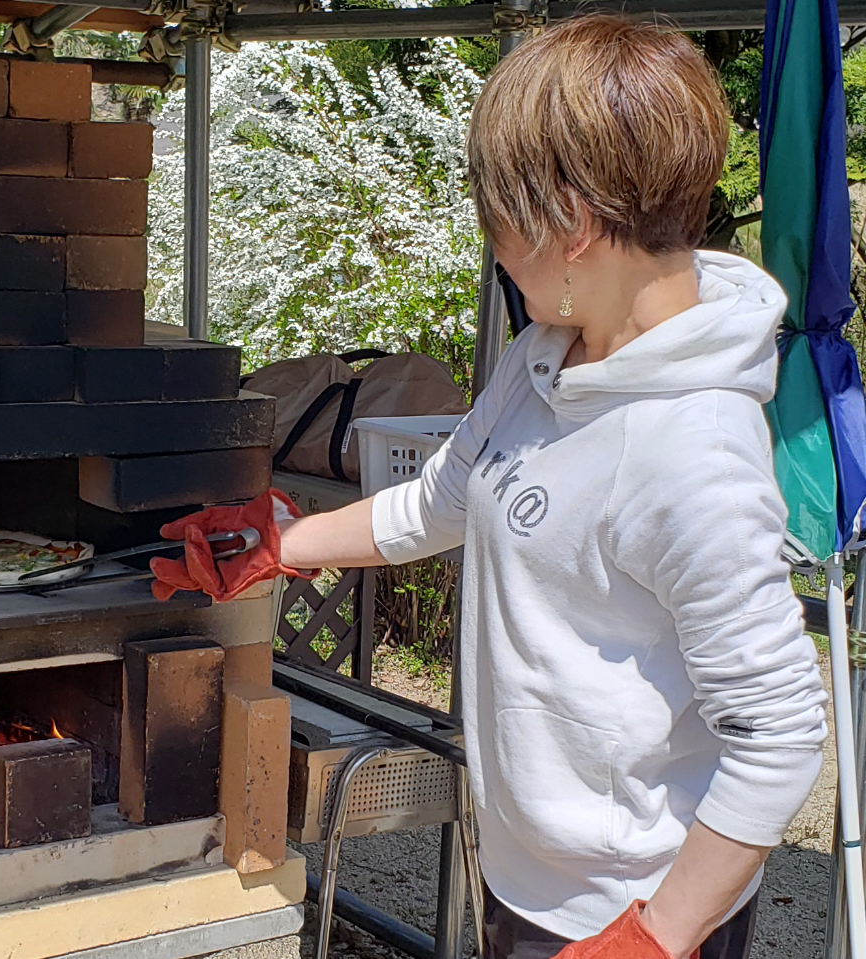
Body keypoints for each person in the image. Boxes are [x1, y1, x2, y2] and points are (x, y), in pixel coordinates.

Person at [150, 15, 829, 959]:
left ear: (572, 219)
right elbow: (442, 501)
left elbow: (782, 736)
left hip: (633, 905)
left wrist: (654, 936)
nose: (495, 247)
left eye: (498, 219)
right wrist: (280, 542)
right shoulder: (546, 355)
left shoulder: (693, 448)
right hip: (528, 877)